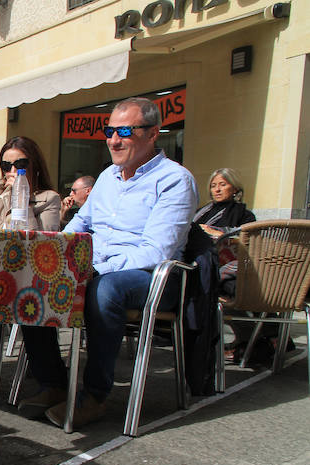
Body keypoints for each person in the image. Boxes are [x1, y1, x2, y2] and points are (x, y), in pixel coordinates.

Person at [16, 97, 198, 428]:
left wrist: (93, 267)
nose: (114, 140)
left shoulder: (174, 180)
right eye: (109, 130)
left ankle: (95, 396)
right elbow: (79, 226)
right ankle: (54, 382)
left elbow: (155, 251)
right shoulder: (107, 178)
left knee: (104, 290)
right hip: (99, 269)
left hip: (154, 279)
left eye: (125, 131)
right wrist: (57, 254)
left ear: (153, 133)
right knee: (34, 278)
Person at [193, 168, 259, 361]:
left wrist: (214, 232)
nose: (217, 190)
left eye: (223, 184)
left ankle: (253, 339)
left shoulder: (245, 215)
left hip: (229, 267)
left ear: (235, 187)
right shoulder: (202, 212)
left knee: (226, 285)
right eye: (214, 186)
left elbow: (245, 240)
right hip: (199, 263)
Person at [0, 136, 61, 231]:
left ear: (35, 166)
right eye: (6, 165)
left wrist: (21, 197)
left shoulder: (49, 199)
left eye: (20, 164)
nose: (13, 170)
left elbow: (42, 241)